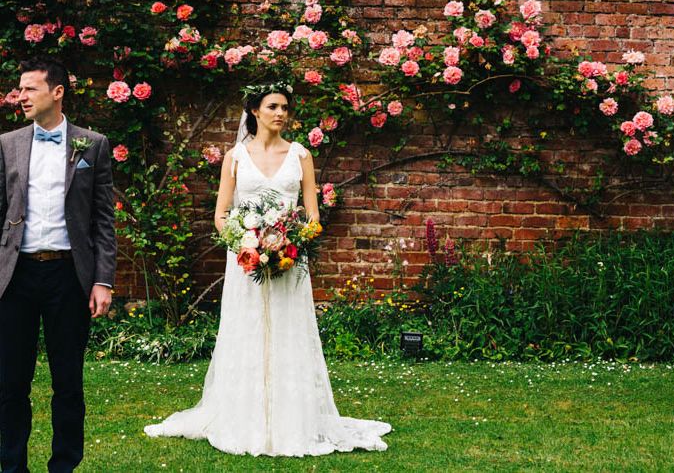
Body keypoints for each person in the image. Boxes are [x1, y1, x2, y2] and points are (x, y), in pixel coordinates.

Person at [144, 82, 391, 456]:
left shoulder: (301, 156)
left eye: (285, 108)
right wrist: (247, 243)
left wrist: (290, 243)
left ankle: (292, 420)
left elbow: (312, 217)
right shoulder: (236, 157)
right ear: (255, 112)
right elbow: (221, 215)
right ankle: (245, 416)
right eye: (273, 106)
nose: (280, 113)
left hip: (290, 261)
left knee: (289, 332)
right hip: (246, 261)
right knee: (247, 331)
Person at [0, 56, 117, 473]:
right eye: (19, 88)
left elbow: (104, 218)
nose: (21, 96)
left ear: (57, 92)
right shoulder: (7, 144)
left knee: (68, 382)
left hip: (69, 277)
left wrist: (103, 280)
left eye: (30, 88)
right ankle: (12, 466)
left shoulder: (93, 144)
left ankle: (64, 466)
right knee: (11, 383)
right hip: (16, 278)